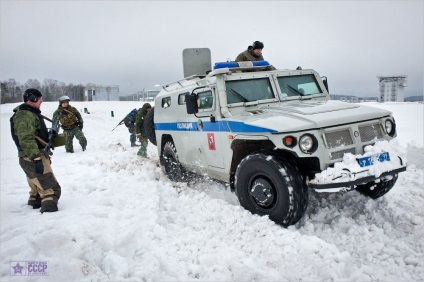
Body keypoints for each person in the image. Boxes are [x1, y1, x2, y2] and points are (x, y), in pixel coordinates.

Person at [10, 88, 61, 213]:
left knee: (37, 187)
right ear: (31, 98)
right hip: (33, 157)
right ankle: (50, 216)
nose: (41, 101)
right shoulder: (24, 115)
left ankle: (35, 201)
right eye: (39, 98)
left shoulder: (29, 113)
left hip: (29, 157)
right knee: (51, 190)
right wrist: (36, 158)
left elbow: (32, 134)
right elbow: (26, 138)